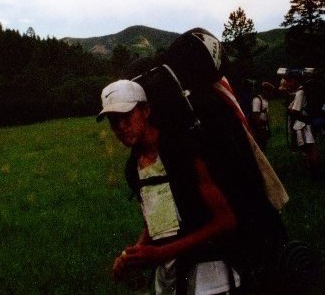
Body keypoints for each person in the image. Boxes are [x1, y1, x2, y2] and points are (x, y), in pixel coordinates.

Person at [97, 79, 241, 295]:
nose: (120, 127)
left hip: (210, 275)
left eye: (126, 116)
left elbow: (225, 220)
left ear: (146, 110)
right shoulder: (133, 165)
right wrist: (132, 256)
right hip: (169, 275)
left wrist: (162, 252)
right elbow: (156, 222)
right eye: (113, 121)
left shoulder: (183, 150)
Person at [280, 70, 320, 176]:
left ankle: (314, 171)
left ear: (295, 81)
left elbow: (296, 111)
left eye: (289, 81)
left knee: (309, 148)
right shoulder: (300, 91)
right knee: (308, 148)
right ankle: (312, 168)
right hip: (305, 123)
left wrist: (289, 109)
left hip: (303, 124)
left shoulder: (300, 93)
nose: (287, 83)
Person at [250, 82, 274, 150]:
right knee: (259, 142)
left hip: (264, 124)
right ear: (264, 91)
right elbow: (255, 114)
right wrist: (260, 127)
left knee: (264, 141)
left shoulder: (265, 100)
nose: (270, 93)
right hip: (258, 126)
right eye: (269, 91)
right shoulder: (257, 100)